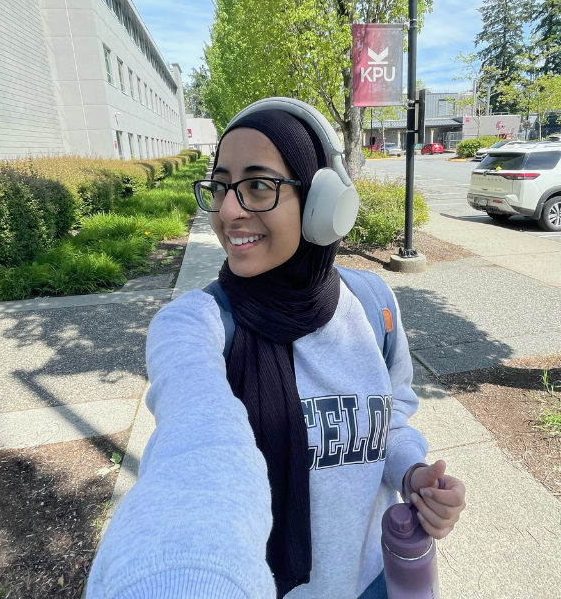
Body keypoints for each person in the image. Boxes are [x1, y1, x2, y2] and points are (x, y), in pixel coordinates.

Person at [86, 98, 467, 599]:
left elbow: (391, 419)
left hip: (373, 579)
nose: (227, 210)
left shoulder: (374, 305)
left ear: (319, 203)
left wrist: (413, 474)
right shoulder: (194, 325)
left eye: (258, 185)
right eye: (220, 186)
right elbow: (196, 447)